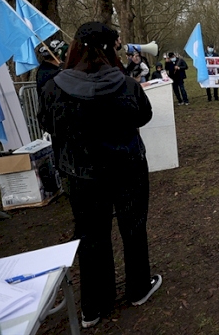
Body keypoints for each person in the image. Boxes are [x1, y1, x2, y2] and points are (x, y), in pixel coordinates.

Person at [38, 22, 162, 329]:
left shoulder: (54, 87)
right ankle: (137, 287)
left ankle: (93, 305)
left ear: (77, 47)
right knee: (133, 228)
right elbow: (143, 115)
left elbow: (48, 123)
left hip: (81, 175)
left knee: (90, 237)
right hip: (127, 169)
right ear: (110, 49)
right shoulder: (126, 84)